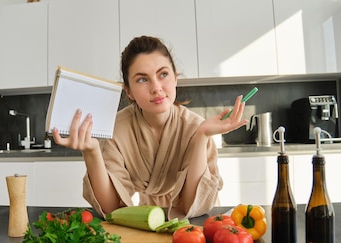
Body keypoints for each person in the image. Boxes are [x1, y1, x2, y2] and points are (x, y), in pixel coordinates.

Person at [52, 36, 248, 219]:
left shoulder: (196, 127)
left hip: (195, 223)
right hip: (148, 215)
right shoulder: (116, 129)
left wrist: (202, 136)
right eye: (142, 79)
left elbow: (190, 206)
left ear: (175, 78)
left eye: (163, 74)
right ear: (128, 91)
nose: (156, 87)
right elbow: (112, 208)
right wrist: (92, 152)